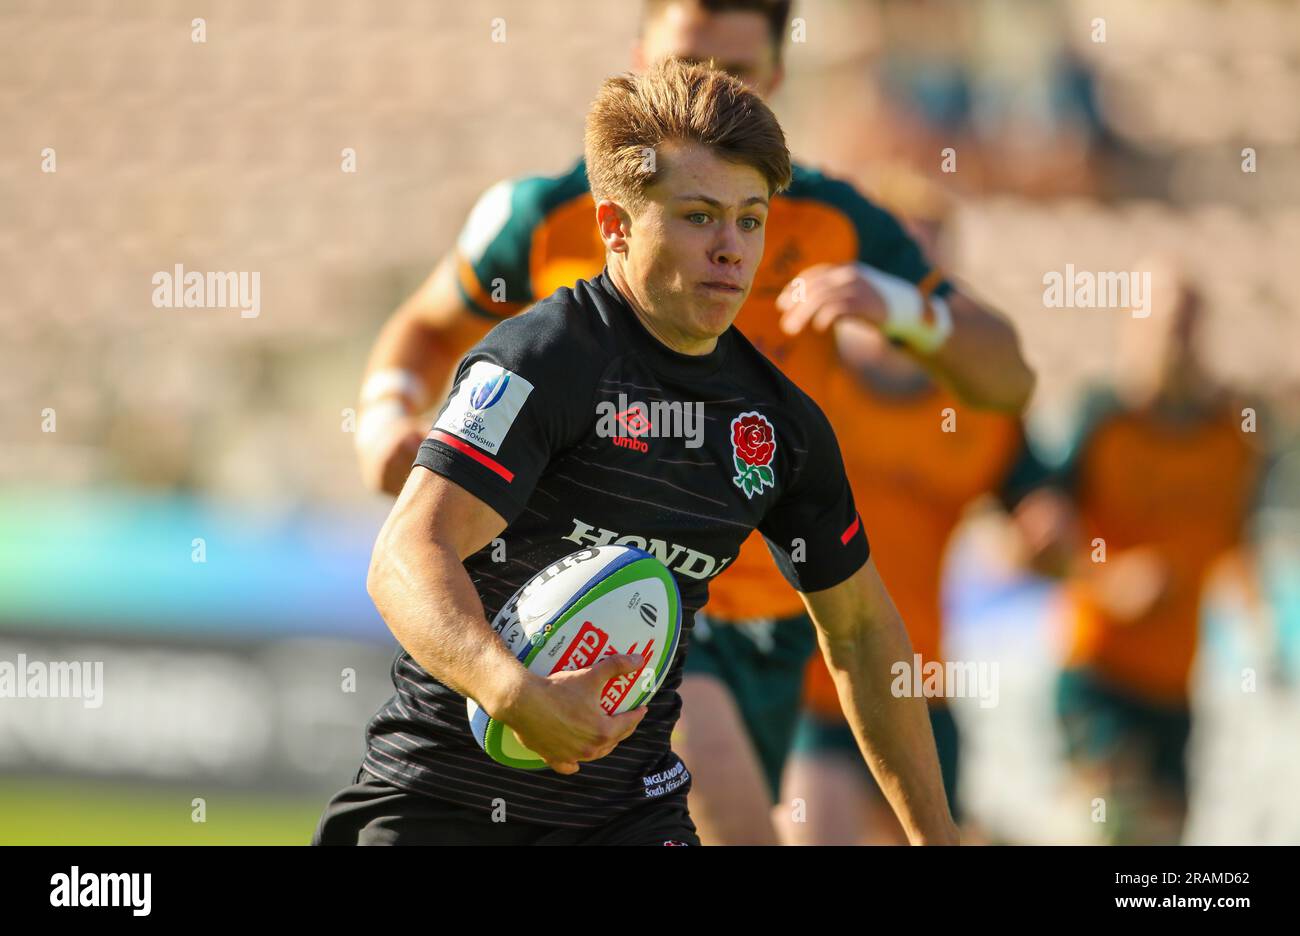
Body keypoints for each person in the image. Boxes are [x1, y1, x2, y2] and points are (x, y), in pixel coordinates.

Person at [353, 0, 1032, 844]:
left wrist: (937, 838)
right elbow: (403, 553)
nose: (733, 248)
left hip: (747, 652)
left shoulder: (786, 404)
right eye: (699, 217)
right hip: (460, 785)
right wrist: (512, 691)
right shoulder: (540, 332)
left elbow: (864, 624)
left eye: (750, 221)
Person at [777, 177, 1048, 844]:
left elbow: (1042, 516)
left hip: (917, 687)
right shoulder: (805, 378)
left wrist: (1047, 540)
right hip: (811, 686)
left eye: (918, 276)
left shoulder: (977, 410)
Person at [1042, 267, 1260, 845]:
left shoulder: (1230, 438)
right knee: (1113, 824)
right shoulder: (1101, 422)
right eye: (1163, 324)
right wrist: (1109, 580)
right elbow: (1030, 542)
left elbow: (1243, 548)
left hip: (1176, 685)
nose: (1176, 340)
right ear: (1131, 327)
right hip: (1099, 671)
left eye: (1188, 324)